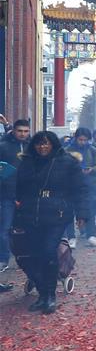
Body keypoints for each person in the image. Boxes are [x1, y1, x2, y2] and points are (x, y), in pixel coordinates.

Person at [12, 131, 89, 314]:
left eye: (46, 144)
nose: (42, 147)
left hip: (57, 214)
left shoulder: (67, 163)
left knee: (48, 251)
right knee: (34, 255)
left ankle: (51, 295)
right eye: (39, 144)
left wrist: (82, 214)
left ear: (53, 144)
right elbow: (18, 188)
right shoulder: (27, 163)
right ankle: (42, 294)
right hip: (31, 215)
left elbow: (80, 189)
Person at [0, 118, 30, 284]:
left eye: (26, 131)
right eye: (20, 131)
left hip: (28, 195)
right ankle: (3, 259)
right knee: (5, 228)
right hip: (7, 194)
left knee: (28, 227)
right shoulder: (3, 146)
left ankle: (26, 257)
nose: (23, 134)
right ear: (14, 131)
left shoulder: (33, 147)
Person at [67, 127, 96, 247]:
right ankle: (71, 237)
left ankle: (91, 235)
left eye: (85, 140)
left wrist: (91, 169)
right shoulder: (68, 150)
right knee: (70, 211)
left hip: (88, 184)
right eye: (80, 140)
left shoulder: (92, 150)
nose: (82, 142)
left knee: (90, 209)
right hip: (71, 184)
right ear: (76, 138)